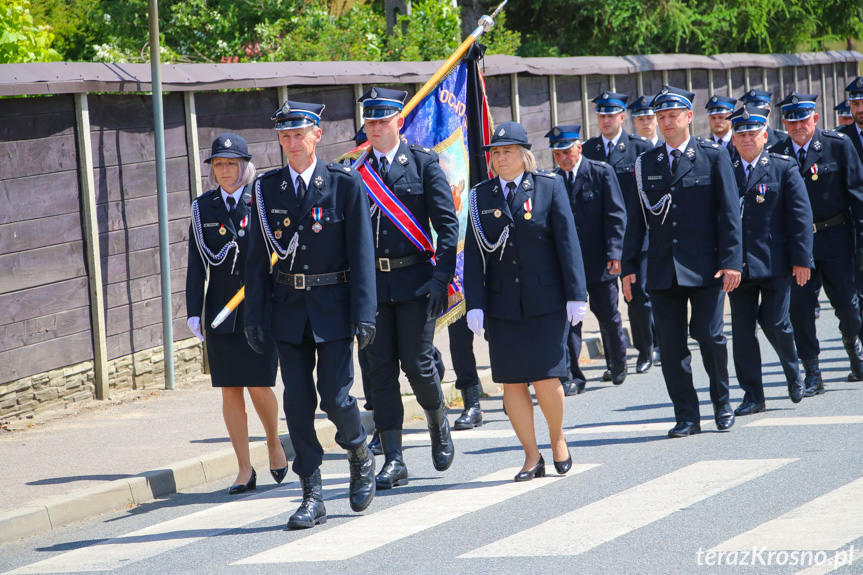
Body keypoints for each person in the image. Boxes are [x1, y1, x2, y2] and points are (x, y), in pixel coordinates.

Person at [244, 100, 377, 529]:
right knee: (297, 405)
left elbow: (361, 253)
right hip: (287, 310)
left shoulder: (343, 184)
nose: (291, 144)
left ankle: (358, 451)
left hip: (334, 308)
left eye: (298, 135)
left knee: (336, 399)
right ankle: (311, 492)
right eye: (284, 136)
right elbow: (255, 258)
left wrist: (366, 312)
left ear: (317, 135)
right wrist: (253, 316)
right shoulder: (267, 190)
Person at [464, 121, 587, 481]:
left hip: (547, 301)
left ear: (524, 155)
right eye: (495, 153)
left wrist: (576, 294)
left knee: (548, 377)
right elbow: (474, 255)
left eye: (507, 152)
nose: (500, 158)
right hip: (502, 304)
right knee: (513, 382)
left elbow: (568, 243)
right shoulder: (480, 196)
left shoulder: (549, 187)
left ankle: (557, 438)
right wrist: (475, 302)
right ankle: (531, 456)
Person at [621, 85, 743, 438]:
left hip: (707, 267)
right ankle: (687, 415)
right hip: (662, 268)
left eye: (673, 115)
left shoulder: (712, 155)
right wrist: (629, 268)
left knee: (710, 336)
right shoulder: (646, 163)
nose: (666, 122)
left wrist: (732, 260)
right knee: (672, 347)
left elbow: (729, 213)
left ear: (689, 116)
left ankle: (722, 402)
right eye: (660, 117)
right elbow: (636, 220)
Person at [357, 87, 458, 490]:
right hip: (374, 288)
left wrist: (441, 278)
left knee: (417, 366)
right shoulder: (355, 172)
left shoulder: (422, 164)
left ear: (399, 122)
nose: (377, 128)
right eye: (371, 121)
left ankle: (437, 422)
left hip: (417, 281)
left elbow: (448, 228)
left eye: (383, 121)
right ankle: (394, 458)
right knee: (379, 372)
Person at [185, 133, 287, 495]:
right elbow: (197, 263)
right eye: (218, 164)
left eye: (231, 163)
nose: (224, 170)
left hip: (259, 306)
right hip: (220, 311)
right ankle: (244, 468)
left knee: (260, 385)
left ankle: (274, 442)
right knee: (229, 390)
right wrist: (193, 310)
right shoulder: (203, 207)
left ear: (244, 165)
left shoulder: (260, 199)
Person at [770, 92, 863, 393]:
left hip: (836, 237)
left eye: (803, 119)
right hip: (798, 244)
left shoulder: (837, 146)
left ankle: (854, 349)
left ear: (815, 118)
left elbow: (858, 195)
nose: (797, 126)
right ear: (783, 122)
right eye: (791, 120)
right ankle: (813, 371)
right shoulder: (777, 153)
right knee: (800, 308)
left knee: (847, 304)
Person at [725, 106, 813, 415]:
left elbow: (800, 218)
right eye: (741, 135)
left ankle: (793, 372)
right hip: (738, 266)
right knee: (742, 331)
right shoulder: (724, 168)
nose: (747, 140)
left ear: (765, 136)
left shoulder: (783, 167)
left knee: (776, 320)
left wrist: (802, 260)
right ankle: (753, 395)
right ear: (733, 139)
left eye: (753, 134)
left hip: (776, 262)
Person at [547, 124, 628, 393]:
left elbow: (616, 215)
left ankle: (617, 362)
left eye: (567, 152)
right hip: (569, 266)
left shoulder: (600, 172)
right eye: (558, 154)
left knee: (608, 316)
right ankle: (573, 377)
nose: (563, 159)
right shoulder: (553, 181)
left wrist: (615, 253)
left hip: (599, 260)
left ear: (578, 148)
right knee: (571, 322)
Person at [583, 90, 658, 375]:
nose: (605, 120)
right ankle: (615, 359)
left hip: (634, 236)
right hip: (598, 239)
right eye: (601, 115)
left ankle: (645, 349)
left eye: (611, 115)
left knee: (638, 297)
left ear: (622, 117)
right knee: (605, 305)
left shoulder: (638, 148)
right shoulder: (588, 151)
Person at [704, 95, 738, 163]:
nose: (716, 121)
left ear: (731, 118)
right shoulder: (705, 146)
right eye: (713, 118)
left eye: (721, 117)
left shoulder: (740, 144)